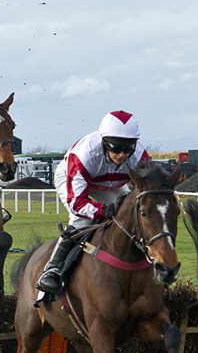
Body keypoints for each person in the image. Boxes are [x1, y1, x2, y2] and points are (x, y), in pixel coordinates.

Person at [36, 111, 151, 294]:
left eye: (127, 148)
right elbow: (77, 203)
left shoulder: (139, 155)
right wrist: (102, 210)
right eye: (115, 148)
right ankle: (52, 270)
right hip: (73, 179)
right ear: (105, 142)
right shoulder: (84, 154)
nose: (121, 155)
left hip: (111, 183)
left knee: (134, 214)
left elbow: (148, 190)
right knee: (82, 220)